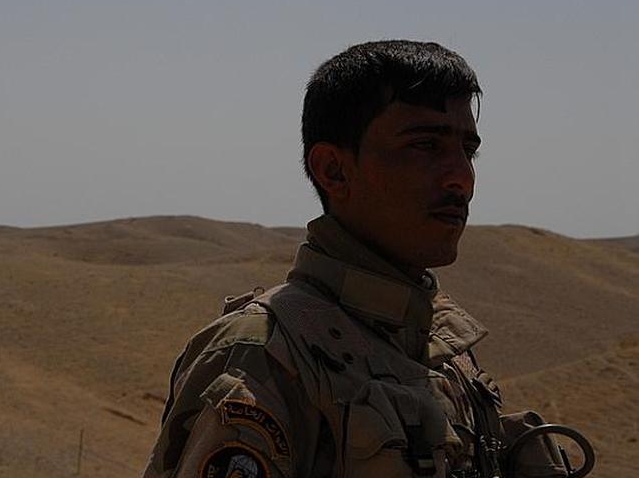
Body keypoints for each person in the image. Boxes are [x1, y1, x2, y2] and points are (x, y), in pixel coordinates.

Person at [141, 40, 588, 477]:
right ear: (334, 170)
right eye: (426, 146)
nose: (461, 179)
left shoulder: (439, 349)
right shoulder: (265, 355)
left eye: (467, 151)